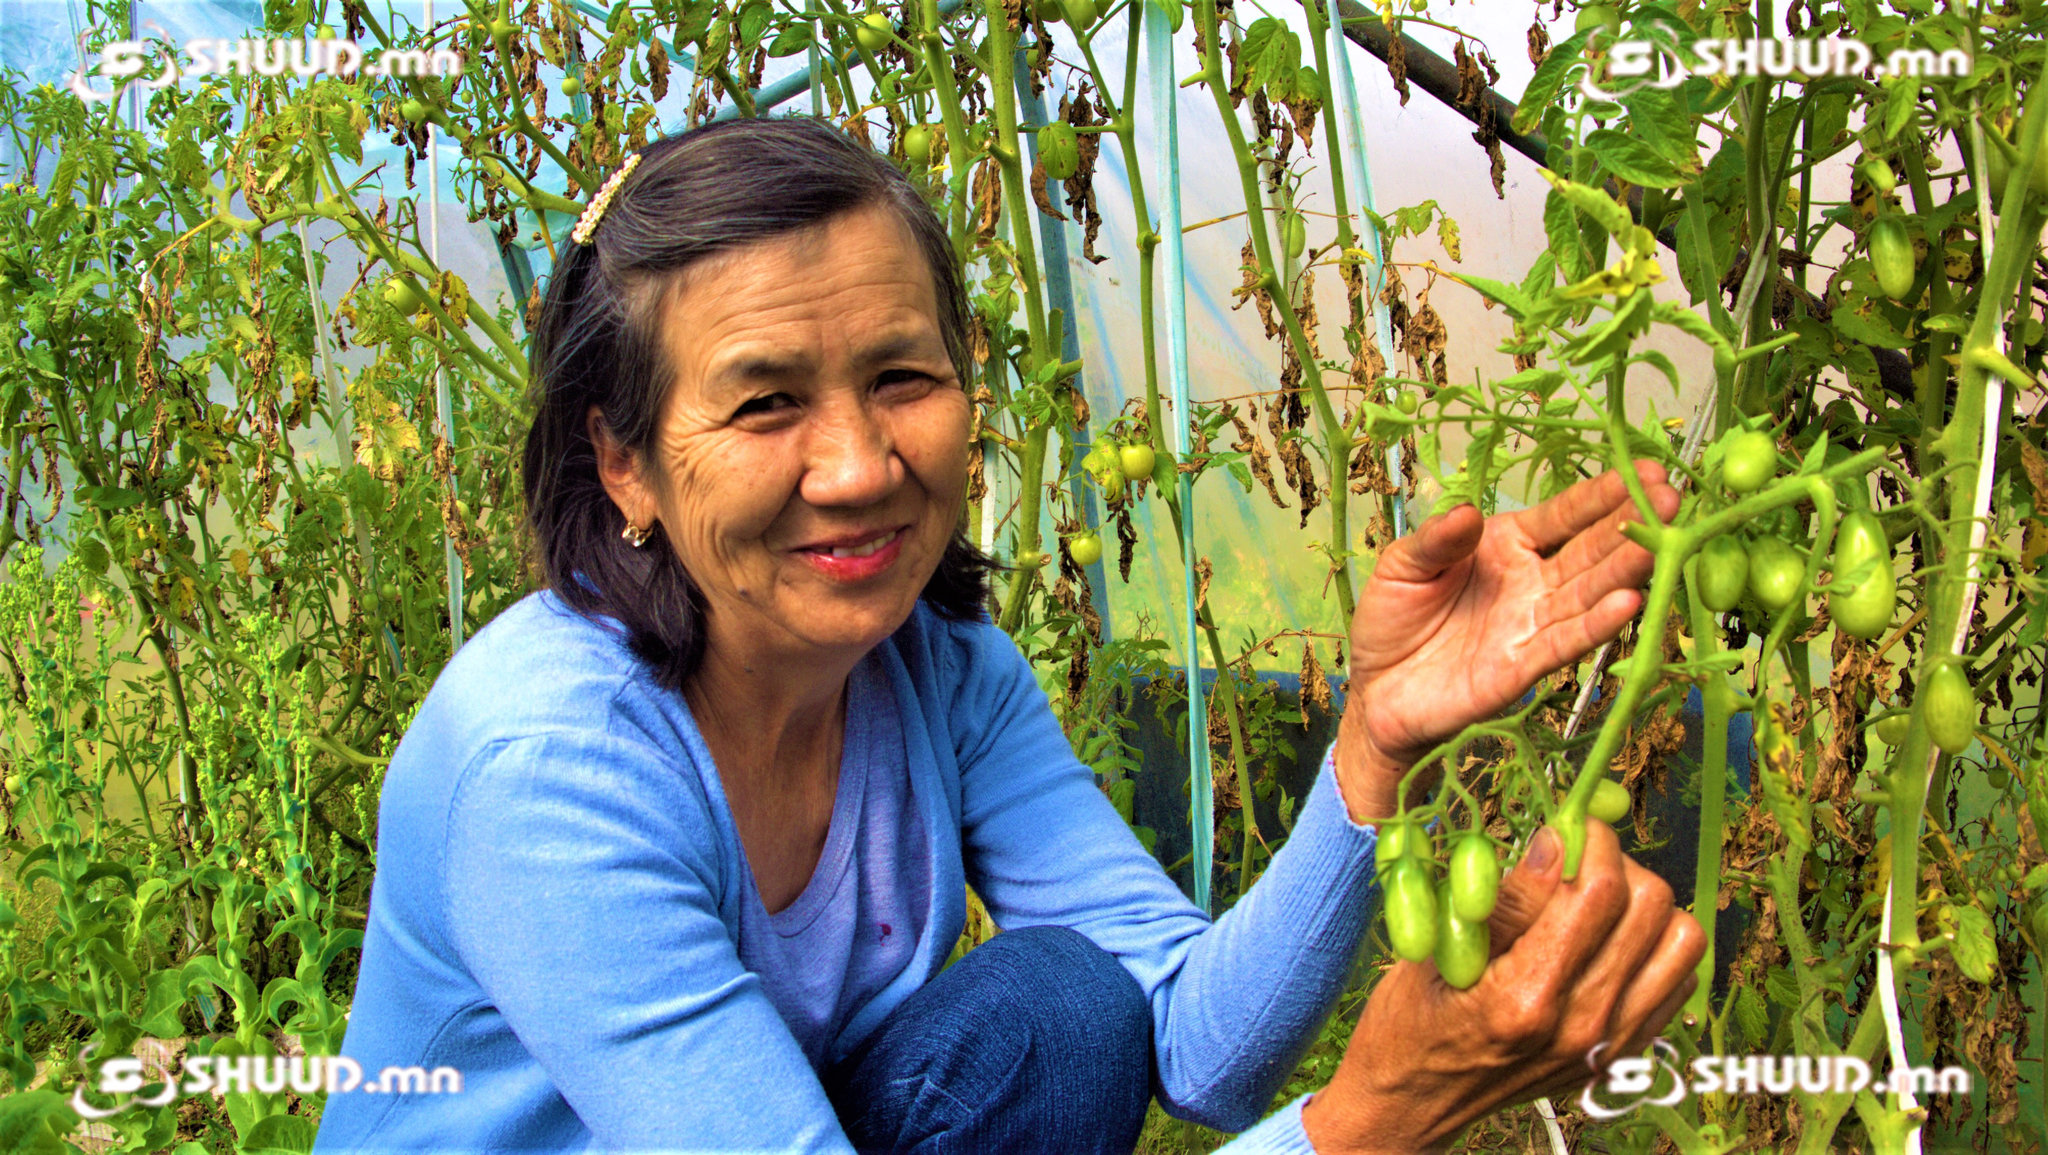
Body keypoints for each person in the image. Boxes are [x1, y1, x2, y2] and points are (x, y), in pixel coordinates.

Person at [313, 116, 1703, 1154]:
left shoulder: (937, 671)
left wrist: (1372, 743)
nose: (858, 464)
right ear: (621, 465)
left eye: (902, 377)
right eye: (764, 404)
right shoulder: (548, 767)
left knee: (1059, 1017)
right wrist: (1374, 1118)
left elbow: (1189, 1046)